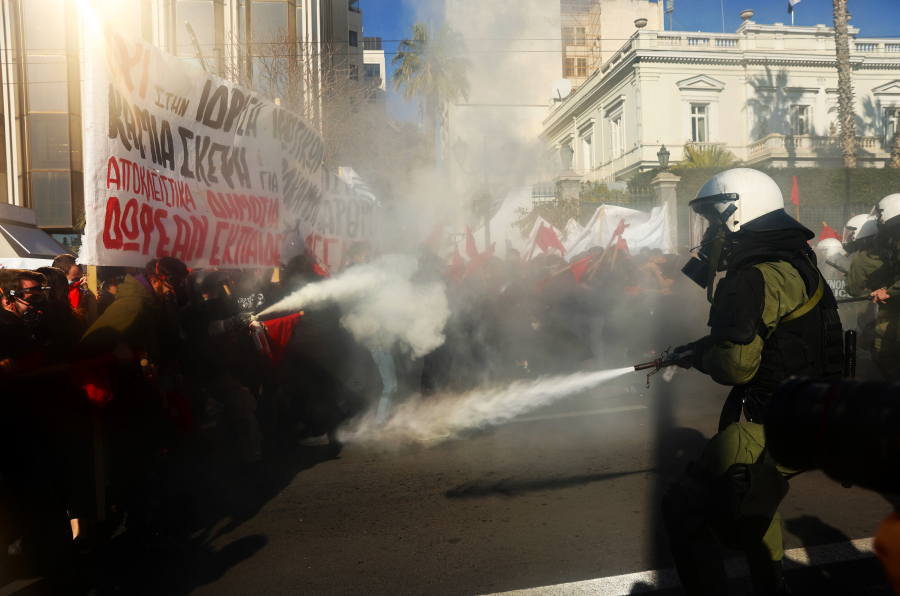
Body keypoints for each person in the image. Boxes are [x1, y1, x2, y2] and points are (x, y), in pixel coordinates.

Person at [660, 169, 844, 595]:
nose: (709, 232)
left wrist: (702, 355)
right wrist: (700, 347)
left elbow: (736, 366)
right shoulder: (796, 261)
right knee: (756, 494)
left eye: (714, 219)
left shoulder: (753, 274)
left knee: (683, 506)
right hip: (815, 414)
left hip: (779, 423)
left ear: (739, 215)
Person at [846, 194, 900, 381]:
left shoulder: (865, 257)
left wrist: (887, 291)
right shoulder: (891, 246)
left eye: (882, 214)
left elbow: (853, 289)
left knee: (881, 347)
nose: (880, 220)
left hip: (891, 308)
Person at [52, 254, 88, 319]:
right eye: (75, 279)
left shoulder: (84, 293)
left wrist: (92, 291)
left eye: (80, 278)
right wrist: (83, 305)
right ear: (59, 277)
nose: (79, 281)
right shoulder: (50, 297)